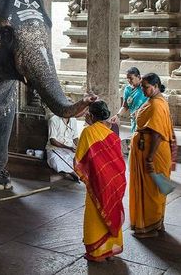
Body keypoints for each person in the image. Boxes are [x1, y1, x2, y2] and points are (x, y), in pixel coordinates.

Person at [74, 100, 126, 262]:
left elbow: (80, 159)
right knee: (111, 208)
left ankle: (97, 253)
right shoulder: (113, 130)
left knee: (95, 213)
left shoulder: (88, 132)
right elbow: (118, 156)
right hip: (114, 179)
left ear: (91, 115)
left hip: (98, 181)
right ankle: (110, 248)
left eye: (88, 114)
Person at [129, 73, 174, 238]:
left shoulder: (156, 105)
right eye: (142, 87)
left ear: (155, 86)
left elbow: (156, 133)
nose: (143, 90)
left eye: (146, 87)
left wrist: (149, 157)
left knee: (152, 189)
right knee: (156, 188)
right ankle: (157, 223)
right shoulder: (158, 100)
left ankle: (148, 227)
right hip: (151, 149)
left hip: (153, 151)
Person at [111, 67, 148, 134]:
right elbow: (125, 106)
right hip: (134, 120)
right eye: (127, 78)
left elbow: (151, 103)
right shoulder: (127, 89)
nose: (129, 80)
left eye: (131, 78)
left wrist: (138, 111)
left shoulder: (145, 88)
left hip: (145, 119)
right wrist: (117, 116)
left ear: (138, 77)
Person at [46, 114, 79, 182]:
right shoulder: (54, 120)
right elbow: (52, 141)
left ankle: (68, 173)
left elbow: (75, 137)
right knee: (55, 162)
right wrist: (68, 148)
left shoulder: (73, 120)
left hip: (69, 149)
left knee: (78, 161)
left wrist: (79, 146)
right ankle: (70, 173)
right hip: (55, 149)